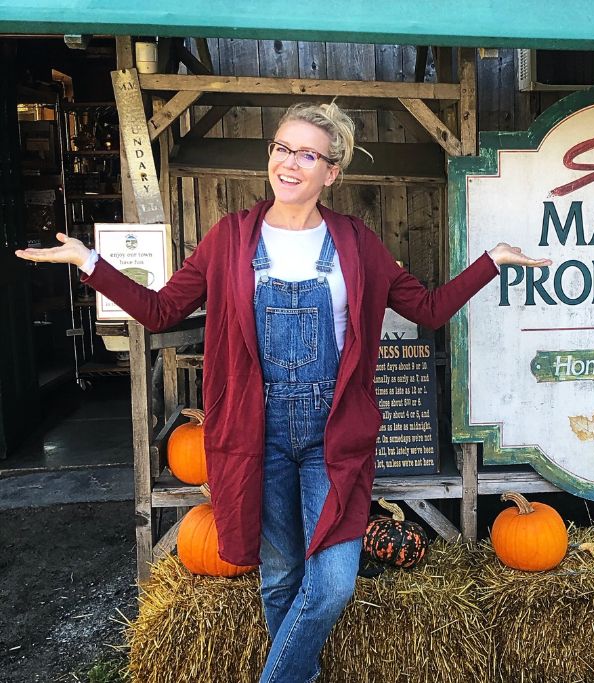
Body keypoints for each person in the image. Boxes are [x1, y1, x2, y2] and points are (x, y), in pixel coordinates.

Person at [15, 101, 550, 683]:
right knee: (280, 577)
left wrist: (490, 261)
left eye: (307, 154)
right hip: (255, 432)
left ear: (332, 171)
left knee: (334, 583)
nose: (289, 163)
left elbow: (427, 308)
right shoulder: (230, 239)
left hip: (332, 434)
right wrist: (89, 261)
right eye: (281, 148)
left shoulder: (356, 243)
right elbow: (162, 311)